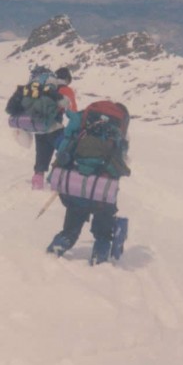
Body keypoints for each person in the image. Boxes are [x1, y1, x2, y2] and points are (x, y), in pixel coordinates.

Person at [45, 100, 130, 265]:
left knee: (69, 231)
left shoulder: (82, 128)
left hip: (74, 190)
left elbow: (63, 148)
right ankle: (100, 260)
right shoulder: (117, 138)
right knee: (103, 235)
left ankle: (51, 256)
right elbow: (121, 167)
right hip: (102, 195)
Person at [32, 67, 76, 189]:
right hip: (55, 128)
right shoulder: (66, 90)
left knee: (41, 154)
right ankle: (55, 178)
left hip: (39, 127)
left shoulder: (45, 87)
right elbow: (73, 112)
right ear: (67, 79)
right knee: (66, 150)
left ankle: (37, 182)